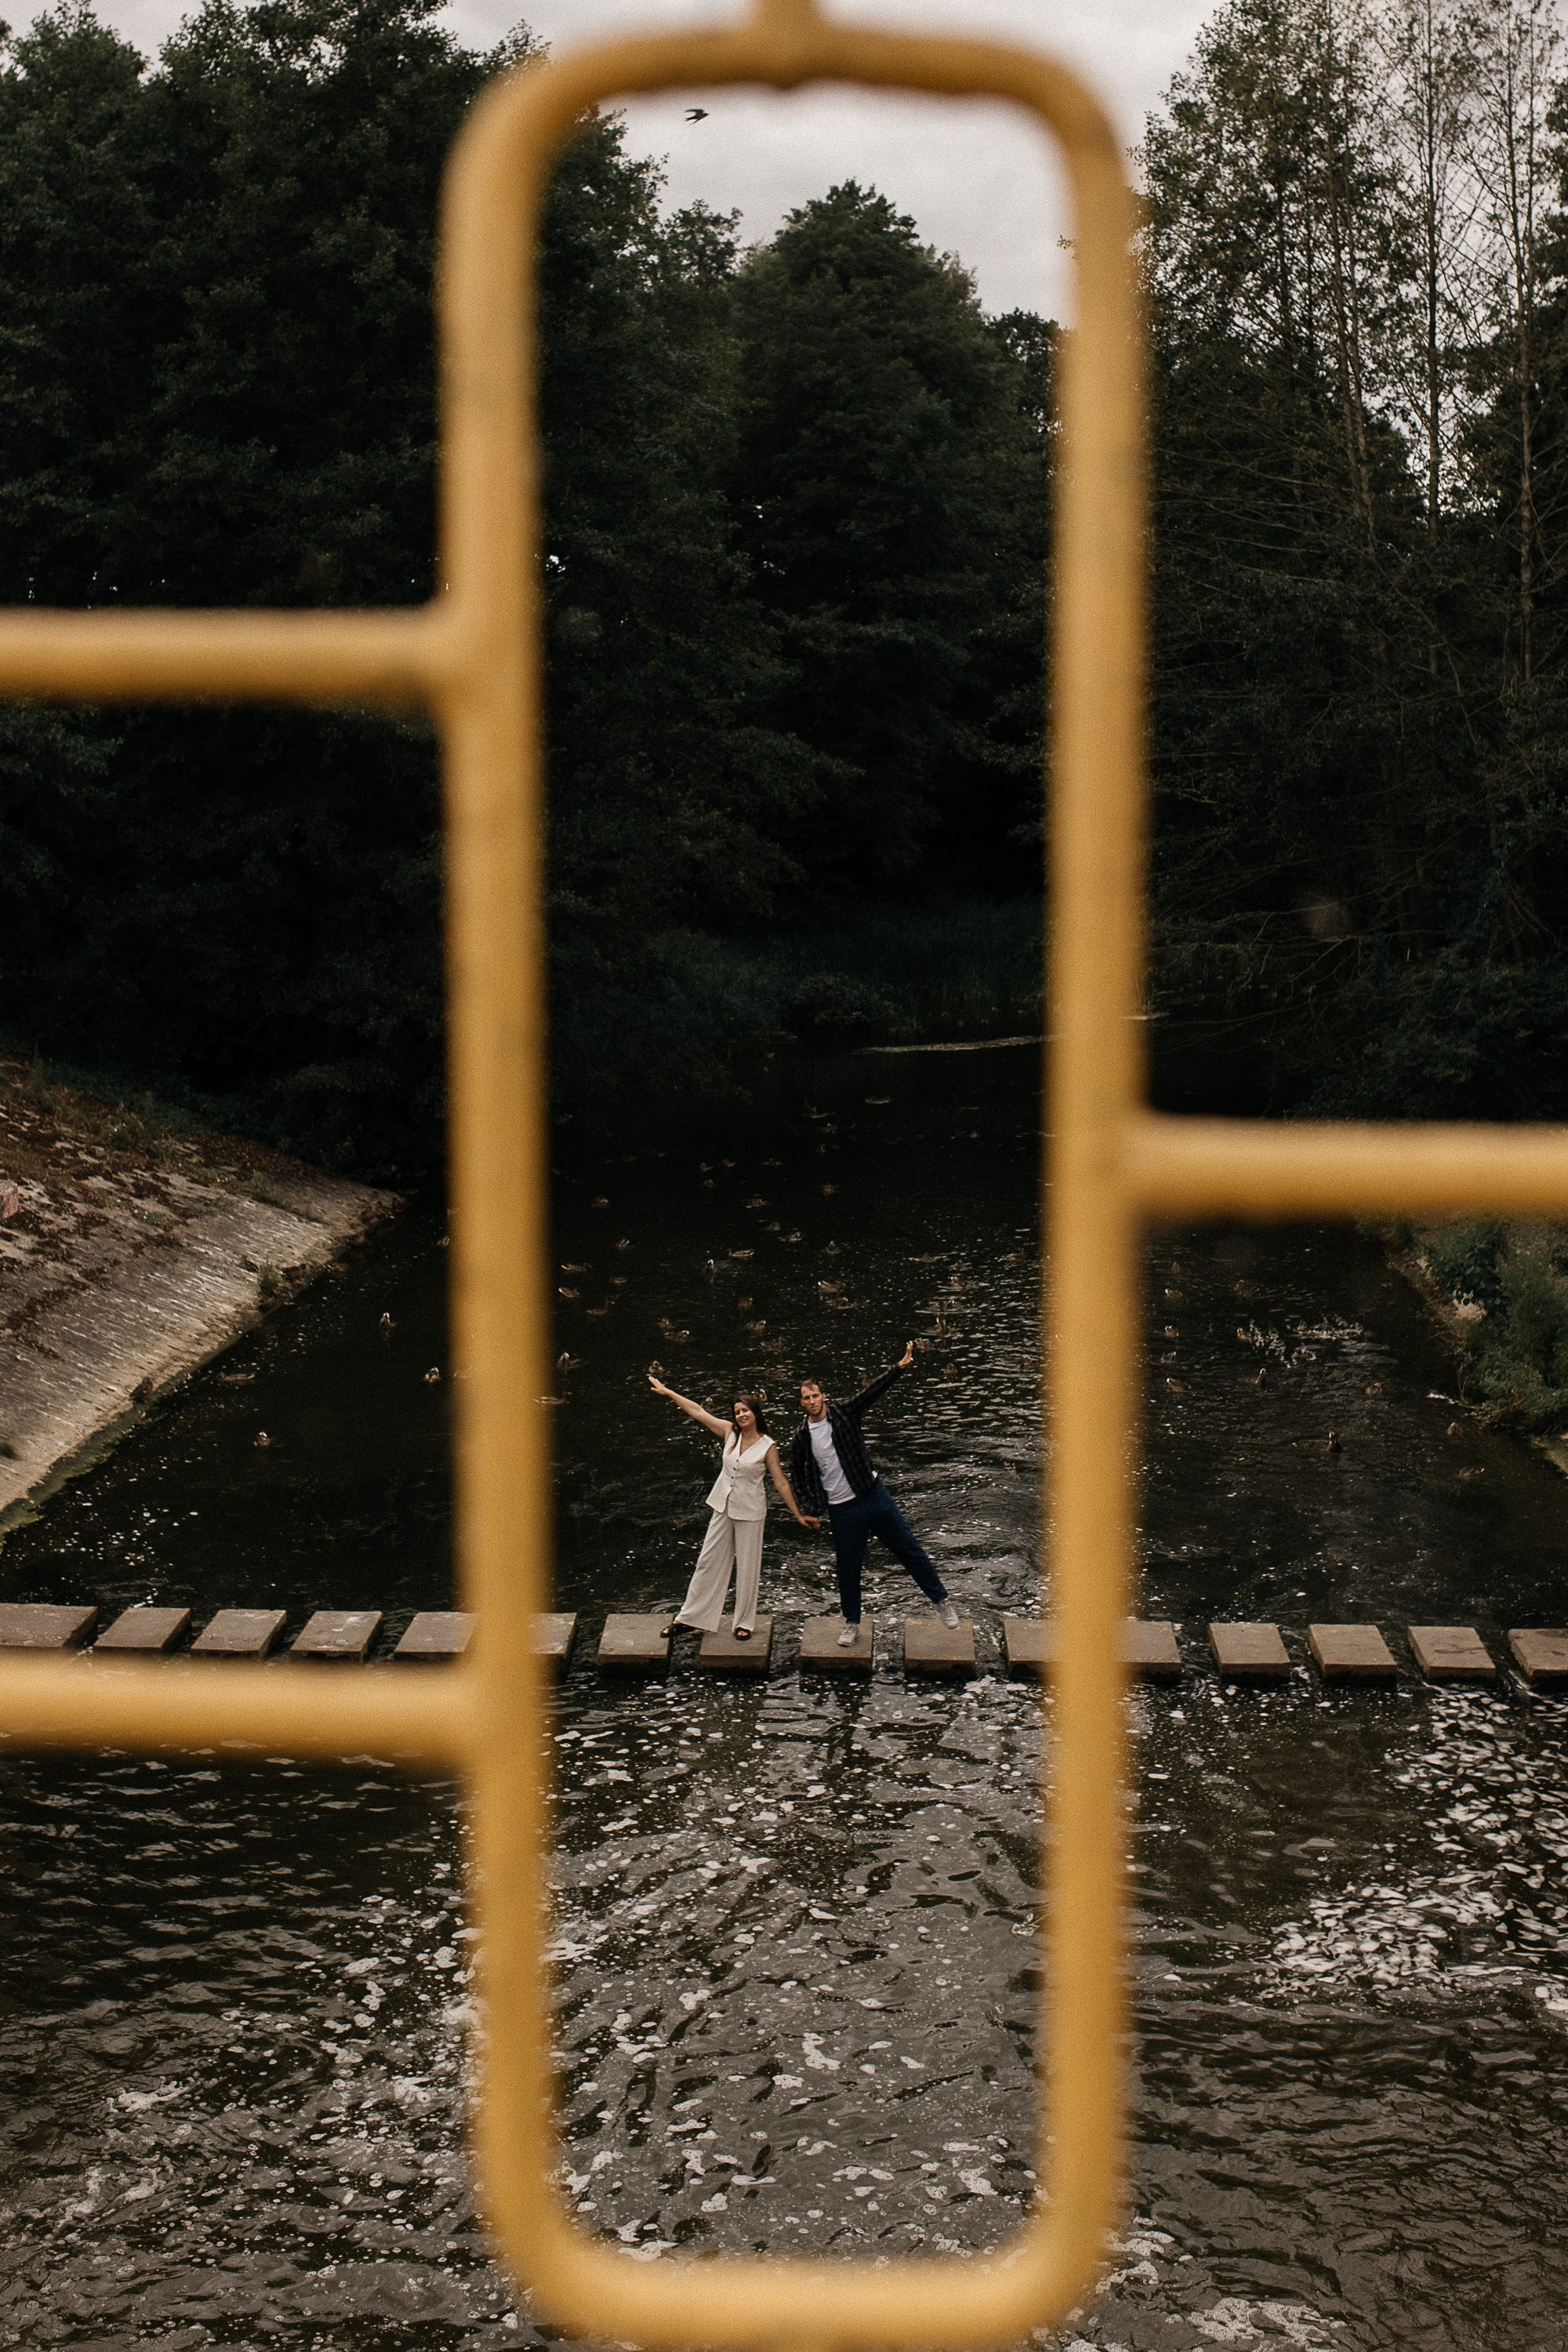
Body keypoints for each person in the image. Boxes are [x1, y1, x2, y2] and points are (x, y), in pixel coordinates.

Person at [790, 1343, 958, 1646]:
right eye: (807, 1398)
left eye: (816, 1395)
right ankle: (852, 1623)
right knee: (848, 1570)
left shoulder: (844, 1412)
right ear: (802, 1403)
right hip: (842, 1510)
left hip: (873, 1496)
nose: (812, 1401)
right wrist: (810, 1508)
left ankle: (941, 1601)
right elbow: (798, 1475)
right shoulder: (802, 1435)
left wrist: (899, 1367)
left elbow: (872, 1392)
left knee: (910, 1549)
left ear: (823, 1396)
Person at [648, 1377, 818, 1639]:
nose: (740, 1415)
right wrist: (669, 1392)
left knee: (748, 1568)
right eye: (737, 1412)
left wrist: (798, 1514)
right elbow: (698, 1411)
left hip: (751, 1511)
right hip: (722, 1506)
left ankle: (744, 1624)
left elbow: (781, 1482)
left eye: (745, 1410)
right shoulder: (729, 1432)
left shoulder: (768, 1446)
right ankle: (689, 1618)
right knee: (707, 1561)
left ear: (755, 1413)